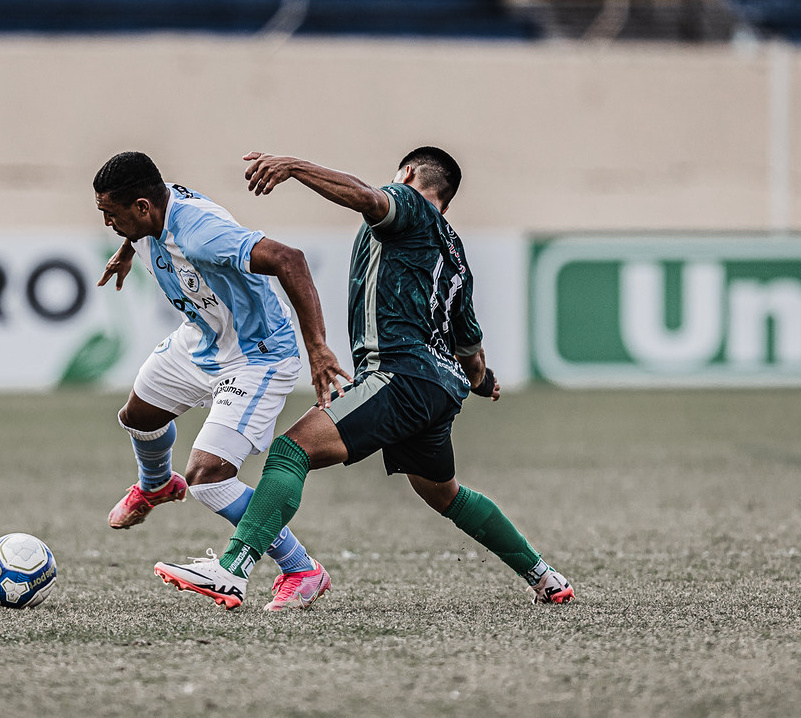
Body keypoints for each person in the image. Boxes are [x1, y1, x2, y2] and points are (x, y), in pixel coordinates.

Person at [154, 147, 575, 609]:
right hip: (439, 388)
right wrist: (483, 380)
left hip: (399, 375)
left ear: (409, 174)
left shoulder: (408, 204)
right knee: (445, 494)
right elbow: (471, 356)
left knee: (292, 451)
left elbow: (367, 199)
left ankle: (232, 570)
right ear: (449, 204)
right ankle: (545, 576)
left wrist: (295, 168)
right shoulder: (455, 256)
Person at [93, 151, 350, 611]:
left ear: (142, 208)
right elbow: (151, 206)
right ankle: (155, 486)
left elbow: (290, 259)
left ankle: (302, 568)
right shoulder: (151, 210)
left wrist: (317, 347)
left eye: (111, 216)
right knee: (139, 416)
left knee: (209, 479)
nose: (108, 223)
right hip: (202, 342)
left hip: (257, 356)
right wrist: (127, 247)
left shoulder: (201, 234)